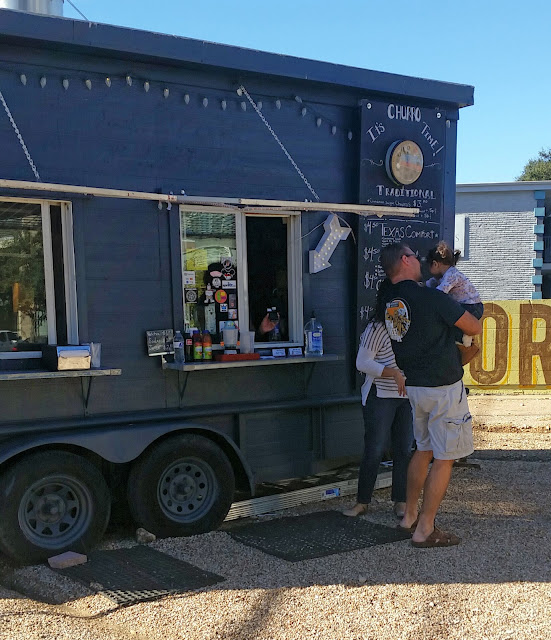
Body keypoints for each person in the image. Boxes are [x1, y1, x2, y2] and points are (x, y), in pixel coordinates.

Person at [379, 242, 482, 547]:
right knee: (444, 457)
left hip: (414, 387)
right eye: (414, 256)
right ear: (405, 260)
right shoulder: (432, 297)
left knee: (422, 450)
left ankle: (409, 516)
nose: (420, 261)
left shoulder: (389, 303)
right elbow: (473, 327)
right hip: (443, 387)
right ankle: (425, 529)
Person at [343, 279, 414, 518]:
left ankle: (401, 501)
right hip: (380, 395)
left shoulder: (412, 325)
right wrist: (392, 372)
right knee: (374, 449)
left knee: (404, 449)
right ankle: (362, 501)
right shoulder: (376, 328)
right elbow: (362, 362)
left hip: (407, 396)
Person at [425, 241, 484, 364]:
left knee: (454, 321)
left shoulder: (451, 275)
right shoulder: (445, 276)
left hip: (472, 306)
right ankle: (464, 340)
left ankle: (467, 341)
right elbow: (431, 283)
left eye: (429, 266)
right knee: (453, 324)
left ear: (435, 264)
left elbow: (440, 293)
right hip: (468, 305)